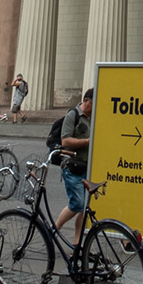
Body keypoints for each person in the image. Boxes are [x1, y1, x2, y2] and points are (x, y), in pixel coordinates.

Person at [54, 86, 95, 246]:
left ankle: (77, 243)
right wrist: (87, 142)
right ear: (86, 101)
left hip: (87, 166)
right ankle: (54, 229)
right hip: (72, 166)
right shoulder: (73, 115)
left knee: (85, 207)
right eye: (94, 104)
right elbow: (65, 141)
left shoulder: (93, 116)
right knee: (77, 203)